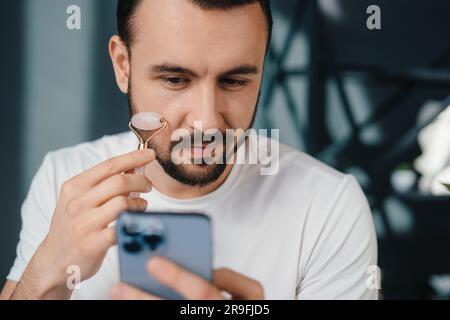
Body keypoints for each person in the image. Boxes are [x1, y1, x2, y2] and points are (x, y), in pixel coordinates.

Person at [1, 0, 377, 300]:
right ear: (122, 65)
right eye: (175, 79)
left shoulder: (328, 206)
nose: (207, 122)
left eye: (234, 81)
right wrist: (48, 275)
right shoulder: (65, 178)